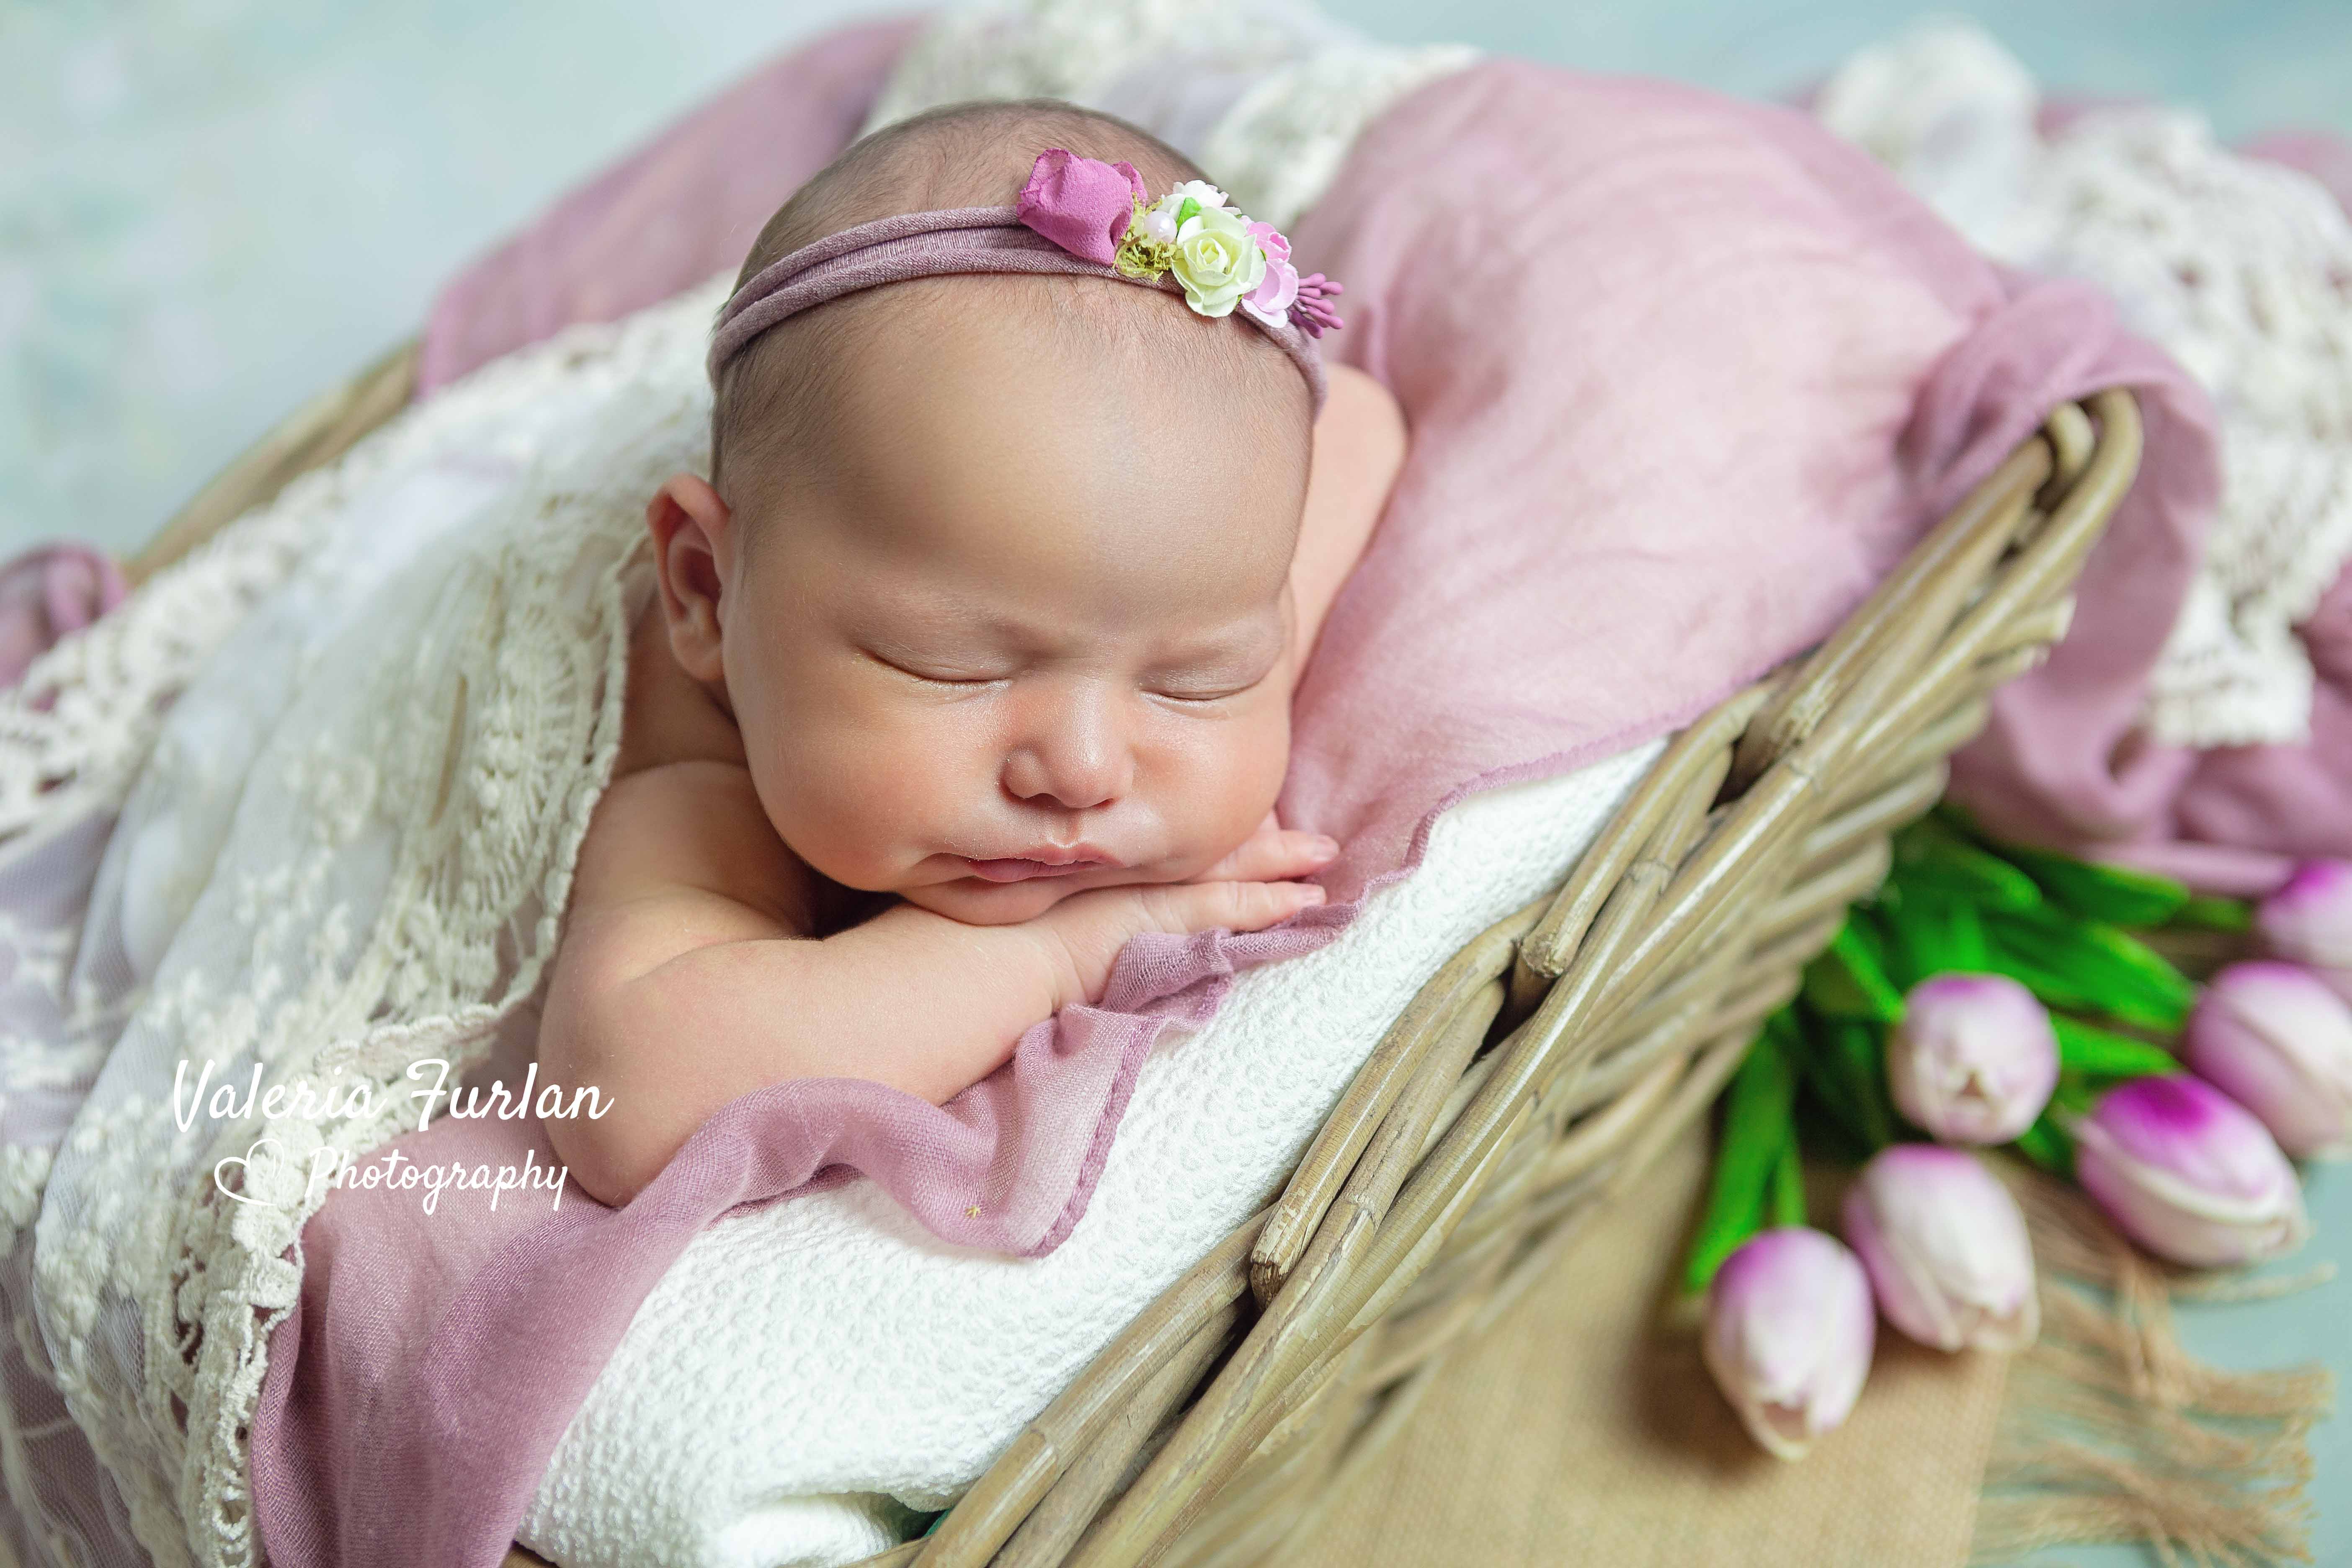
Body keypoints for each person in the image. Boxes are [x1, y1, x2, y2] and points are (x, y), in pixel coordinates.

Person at [538, 98, 1406, 1206]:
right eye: (958, 666)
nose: (1085, 771)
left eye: (1196, 675)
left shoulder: (1187, 542)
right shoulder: (700, 751)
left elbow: (1362, 421)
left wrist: (1248, 640)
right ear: (708, 591)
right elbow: (630, 1099)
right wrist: (1059, 951)